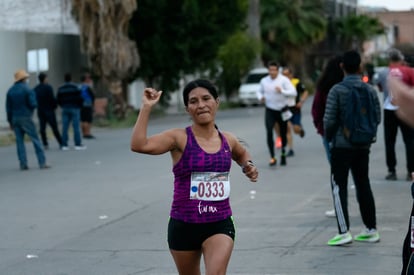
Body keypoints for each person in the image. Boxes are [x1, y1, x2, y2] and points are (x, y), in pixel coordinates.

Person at [130, 79, 258, 275]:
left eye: (206, 98)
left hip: (220, 223)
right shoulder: (179, 138)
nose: (201, 105)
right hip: (184, 225)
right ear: (188, 109)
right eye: (193, 101)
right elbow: (139, 145)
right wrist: (146, 108)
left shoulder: (228, 140)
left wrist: (247, 166)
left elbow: (241, 153)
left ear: (217, 102)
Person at [323, 50, 381, 246]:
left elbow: (329, 120)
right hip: (363, 145)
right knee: (363, 184)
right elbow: (377, 117)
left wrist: (330, 139)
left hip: (342, 145)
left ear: (342, 67)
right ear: (360, 67)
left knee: (339, 186)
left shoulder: (337, 90)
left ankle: (343, 230)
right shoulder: (370, 90)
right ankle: (371, 229)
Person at [311, 55, 344, 218]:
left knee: (336, 174)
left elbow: (317, 110)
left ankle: (339, 206)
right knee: (360, 178)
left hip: (331, 136)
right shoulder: (349, 85)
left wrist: (323, 131)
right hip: (356, 138)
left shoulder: (324, 87)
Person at [376, 48, 414, 181]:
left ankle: (392, 170)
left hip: (389, 109)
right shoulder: (409, 71)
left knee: (390, 141)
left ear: (389, 59)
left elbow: (380, 87)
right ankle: (411, 171)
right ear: (401, 59)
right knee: (409, 141)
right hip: (405, 109)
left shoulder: (383, 72)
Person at [6, 69, 50, 170]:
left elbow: (8, 108)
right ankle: (42, 162)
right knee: (35, 139)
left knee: (19, 141)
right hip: (26, 117)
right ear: (24, 79)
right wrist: (29, 112)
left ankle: (23, 163)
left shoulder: (10, 91)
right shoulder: (27, 89)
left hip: (15, 118)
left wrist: (10, 121)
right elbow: (33, 103)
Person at [257, 61, 296, 166]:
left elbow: (293, 92)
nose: (272, 72)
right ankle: (272, 157)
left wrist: (282, 91)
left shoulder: (284, 80)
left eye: (274, 70)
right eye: (270, 70)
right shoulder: (264, 81)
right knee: (269, 131)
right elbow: (259, 91)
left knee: (283, 133)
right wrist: (261, 97)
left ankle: (283, 153)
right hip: (270, 110)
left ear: (278, 70)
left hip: (282, 110)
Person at [280, 66, 309, 157]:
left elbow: (305, 92)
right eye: (283, 75)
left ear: (291, 74)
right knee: (287, 129)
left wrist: (301, 102)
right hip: (285, 109)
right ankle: (290, 149)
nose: (285, 76)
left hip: (295, 109)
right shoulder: (280, 84)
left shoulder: (296, 82)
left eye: (287, 74)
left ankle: (300, 130)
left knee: (295, 129)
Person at [57, 73, 86, 150]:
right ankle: (77, 144)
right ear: (71, 79)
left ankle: (64, 144)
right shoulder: (75, 87)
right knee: (76, 126)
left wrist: (62, 105)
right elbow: (81, 98)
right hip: (75, 108)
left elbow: (58, 99)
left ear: (64, 79)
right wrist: (79, 106)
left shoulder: (61, 88)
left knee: (65, 127)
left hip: (65, 108)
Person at [33, 72, 63, 149]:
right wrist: (55, 106)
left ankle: (45, 143)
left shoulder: (36, 89)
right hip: (49, 110)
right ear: (44, 79)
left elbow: (34, 99)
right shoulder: (48, 87)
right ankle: (61, 142)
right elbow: (52, 98)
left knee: (42, 128)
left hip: (41, 110)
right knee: (54, 127)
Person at [79, 73, 96, 139]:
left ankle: (84, 133)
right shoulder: (87, 87)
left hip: (80, 105)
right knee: (88, 120)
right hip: (88, 105)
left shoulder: (79, 87)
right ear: (86, 79)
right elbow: (92, 96)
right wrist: (93, 105)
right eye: (88, 78)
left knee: (83, 119)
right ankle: (88, 133)